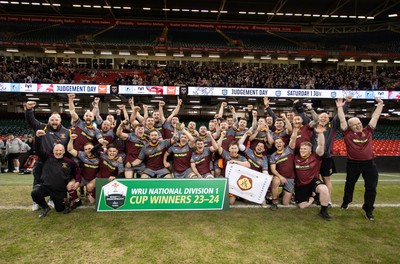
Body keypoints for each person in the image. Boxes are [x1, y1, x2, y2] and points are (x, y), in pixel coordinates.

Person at [337, 97, 384, 221]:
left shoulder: (368, 131)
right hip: (353, 164)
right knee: (350, 184)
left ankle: (368, 209)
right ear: (350, 127)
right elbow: (342, 119)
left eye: (359, 123)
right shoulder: (347, 134)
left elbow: (375, 118)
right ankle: (346, 202)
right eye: (354, 125)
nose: (358, 126)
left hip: (369, 164)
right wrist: (340, 107)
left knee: (371, 187)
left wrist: (380, 105)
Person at [25, 101, 70, 211]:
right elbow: (31, 121)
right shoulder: (42, 127)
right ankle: (36, 201)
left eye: (56, 120)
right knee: (37, 180)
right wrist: (29, 110)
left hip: (56, 162)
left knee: (55, 182)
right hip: (42, 160)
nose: (54, 122)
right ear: (49, 120)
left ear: (60, 121)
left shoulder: (67, 132)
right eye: (52, 120)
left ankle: (52, 199)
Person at [31, 130, 80, 218]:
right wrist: (37, 137)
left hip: (60, 190)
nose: (58, 152)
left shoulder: (69, 162)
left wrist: (76, 181)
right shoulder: (46, 157)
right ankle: (45, 207)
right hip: (46, 187)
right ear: (53, 150)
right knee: (35, 193)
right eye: (56, 150)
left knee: (60, 209)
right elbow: (38, 149)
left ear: (64, 151)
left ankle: (65, 200)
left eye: (60, 150)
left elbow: (77, 173)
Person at [293, 126, 332, 221]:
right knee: (302, 206)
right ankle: (313, 198)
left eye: (305, 149)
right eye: (301, 149)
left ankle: (324, 211)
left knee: (324, 189)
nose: (302, 150)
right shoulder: (295, 157)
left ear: (310, 150)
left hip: (313, 181)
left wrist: (320, 133)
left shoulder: (315, 156)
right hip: (301, 184)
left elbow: (321, 145)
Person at [67, 133, 99, 204]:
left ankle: (91, 192)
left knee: (92, 201)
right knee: (70, 186)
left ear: (94, 147)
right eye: (86, 149)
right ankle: (77, 200)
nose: (88, 150)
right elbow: (70, 150)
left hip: (94, 179)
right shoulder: (82, 155)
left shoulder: (99, 155)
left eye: (90, 148)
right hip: (83, 178)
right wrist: (71, 139)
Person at [269, 130, 297, 210]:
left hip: (290, 178)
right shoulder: (273, 156)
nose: (278, 144)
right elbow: (273, 169)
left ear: (284, 143)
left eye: (280, 142)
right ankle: (274, 202)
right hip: (280, 176)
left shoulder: (289, 149)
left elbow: (293, 139)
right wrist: (280, 177)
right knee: (275, 181)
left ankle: (286, 193)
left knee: (285, 203)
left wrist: (295, 128)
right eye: (276, 143)